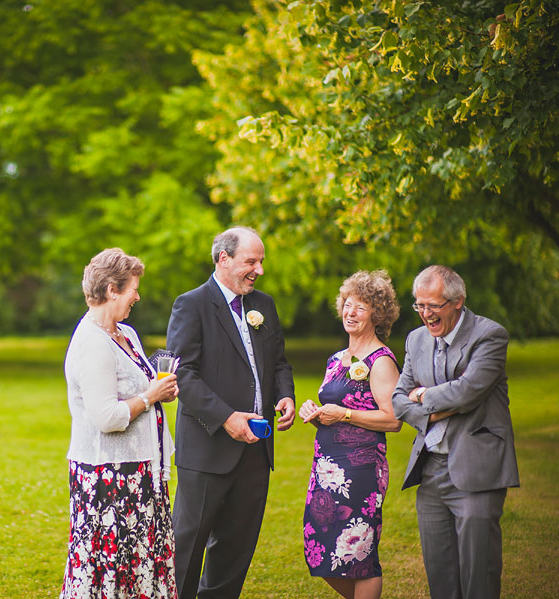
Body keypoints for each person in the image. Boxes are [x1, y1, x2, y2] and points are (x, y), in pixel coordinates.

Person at [166, 226, 296, 599]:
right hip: (208, 449)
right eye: (251, 262)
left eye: (261, 262)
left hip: (256, 449)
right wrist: (226, 418)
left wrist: (284, 396)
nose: (259, 270)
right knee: (186, 548)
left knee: (236, 550)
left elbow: (280, 364)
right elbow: (183, 375)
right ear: (223, 259)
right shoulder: (191, 304)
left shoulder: (263, 305)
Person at [392, 265, 519, 599]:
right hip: (430, 469)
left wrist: (422, 395)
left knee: (480, 573)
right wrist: (433, 410)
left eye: (433, 305)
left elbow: (467, 392)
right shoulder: (416, 339)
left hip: (477, 468)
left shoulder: (489, 335)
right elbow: (397, 400)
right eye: (419, 305)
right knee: (440, 574)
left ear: (458, 301)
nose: (425, 314)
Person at [60, 248, 180, 599]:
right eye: (132, 289)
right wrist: (151, 397)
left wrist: (160, 390)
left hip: (141, 473)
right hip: (109, 481)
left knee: (141, 566)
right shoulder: (92, 344)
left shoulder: (125, 333)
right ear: (112, 289)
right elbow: (107, 417)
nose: (137, 296)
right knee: (111, 572)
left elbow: (139, 389)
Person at [298, 270, 402, 599]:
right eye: (347, 304)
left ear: (378, 314)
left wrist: (343, 414)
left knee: (360, 554)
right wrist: (316, 415)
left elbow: (393, 419)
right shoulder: (335, 360)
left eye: (361, 306)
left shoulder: (381, 361)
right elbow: (336, 409)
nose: (350, 312)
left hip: (361, 470)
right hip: (327, 466)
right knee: (316, 545)